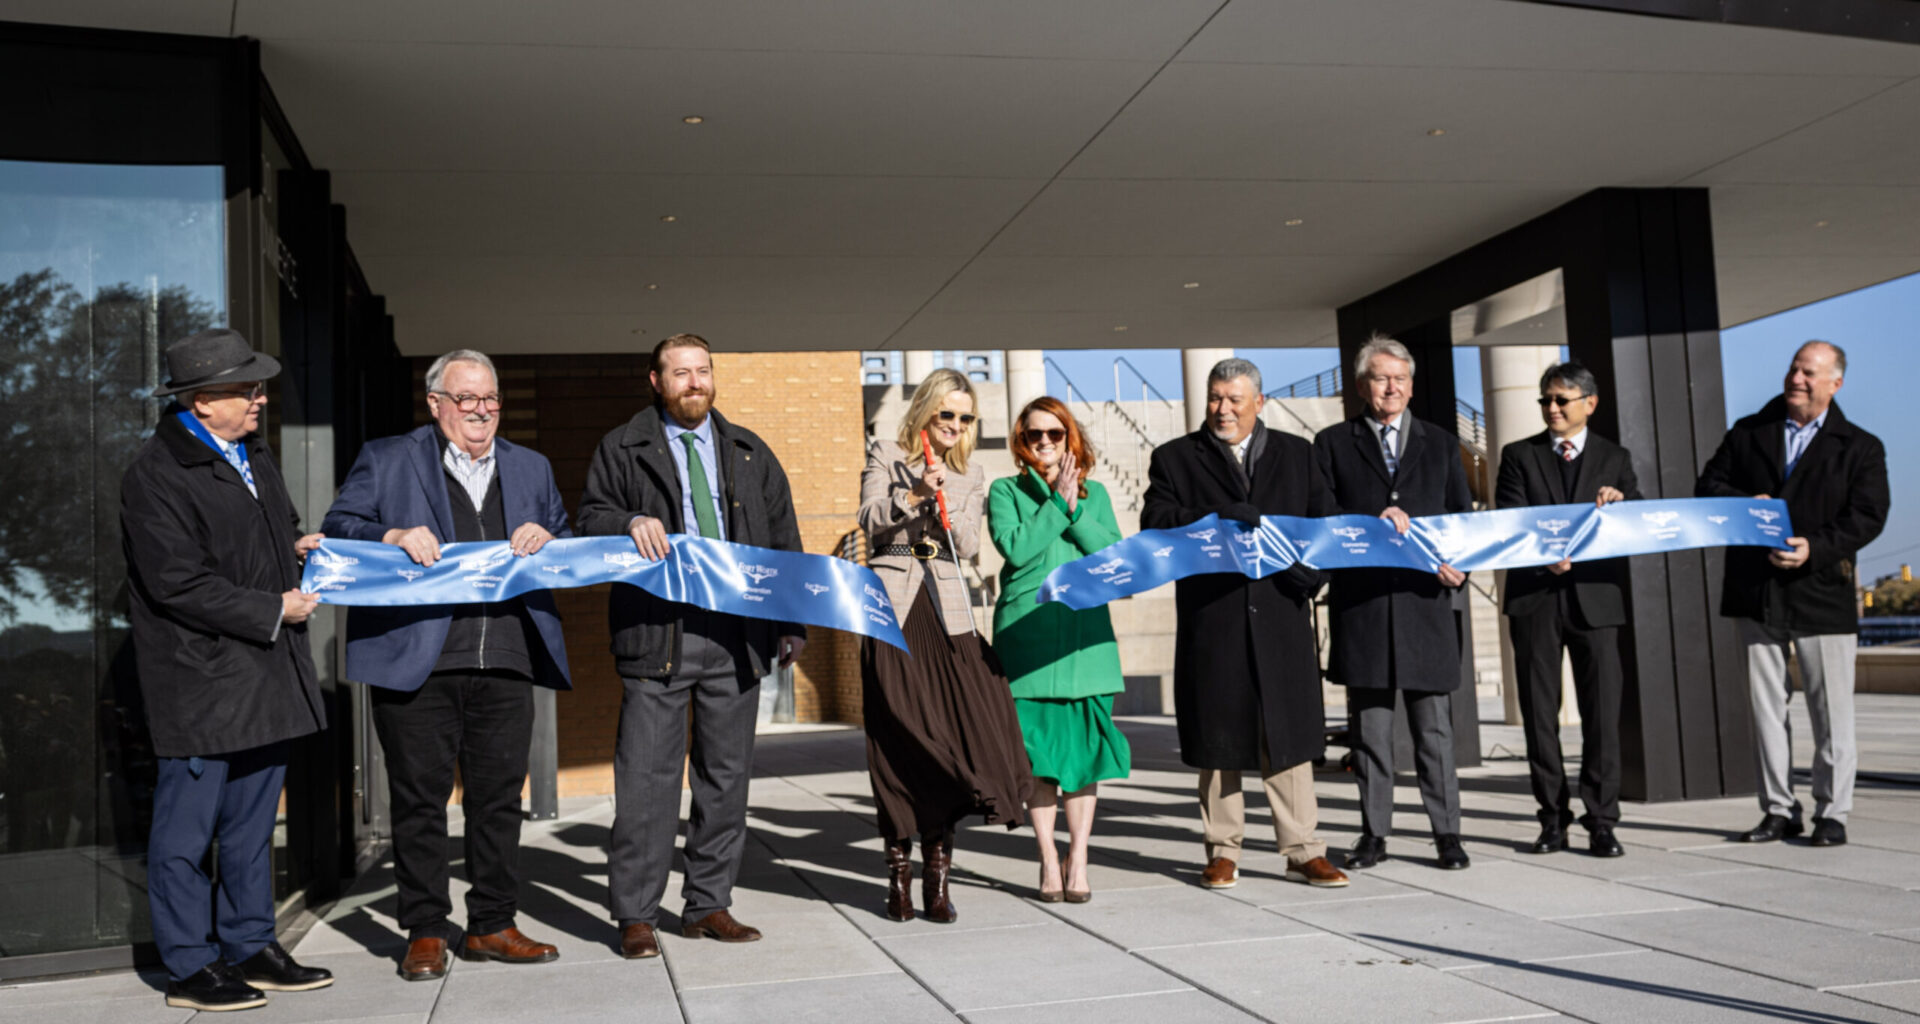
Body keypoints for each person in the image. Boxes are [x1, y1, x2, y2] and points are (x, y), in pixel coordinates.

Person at [321, 349, 572, 980]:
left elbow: (566, 539)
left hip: (508, 655)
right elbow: (338, 526)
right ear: (435, 405)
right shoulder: (387, 458)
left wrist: (547, 535)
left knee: (498, 802)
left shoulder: (532, 465)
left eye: (490, 400)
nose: (481, 412)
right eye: (467, 400)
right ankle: (426, 930)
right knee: (419, 803)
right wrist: (393, 536)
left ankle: (492, 924)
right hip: (416, 660)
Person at [120, 328, 333, 1011]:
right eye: (248, 390)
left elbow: (271, 531)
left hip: (263, 673)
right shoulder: (154, 475)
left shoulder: (251, 454)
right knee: (184, 836)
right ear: (201, 401)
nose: (261, 400)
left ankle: (250, 945)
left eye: (259, 387)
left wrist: (297, 545)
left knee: (247, 830)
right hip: (201, 682)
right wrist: (274, 606)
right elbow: (176, 584)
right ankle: (189, 966)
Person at [578, 333, 807, 958]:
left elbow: (783, 542)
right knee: (647, 784)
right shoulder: (621, 447)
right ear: (656, 381)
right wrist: (628, 521)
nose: (694, 383)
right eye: (680, 373)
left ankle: (708, 905)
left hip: (736, 640)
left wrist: (790, 622)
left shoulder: (749, 451)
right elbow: (589, 516)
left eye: (702, 371)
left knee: (725, 782)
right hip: (659, 637)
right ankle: (635, 914)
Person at [1142, 357, 1349, 890]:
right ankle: (1222, 850)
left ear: (1260, 402)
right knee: (1219, 740)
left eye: (1234, 399)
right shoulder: (1174, 458)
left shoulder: (1299, 455)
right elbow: (1156, 524)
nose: (1223, 408)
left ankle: (1304, 849)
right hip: (1215, 620)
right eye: (1215, 397)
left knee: (1288, 737)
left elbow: (1324, 527)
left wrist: (1313, 575)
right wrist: (1219, 514)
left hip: (1281, 616)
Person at [1697, 340, 1888, 847]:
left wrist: (1814, 548)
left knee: (1831, 715)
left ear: (1834, 384)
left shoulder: (1861, 447)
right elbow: (1707, 487)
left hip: (1822, 593)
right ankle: (1779, 809)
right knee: (1765, 711)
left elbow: (1867, 516)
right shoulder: (1748, 432)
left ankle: (1833, 813)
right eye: (1793, 369)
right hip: (1755, 592)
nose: (1796, 379)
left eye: (1809, 372)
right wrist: (1744, 502)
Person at [859, 367, 1033, 922]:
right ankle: (899, 880)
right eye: (947, 414)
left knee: (957, 736)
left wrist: (949, 508)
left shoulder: (971, 473)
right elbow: (869, 521)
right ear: (926, 412)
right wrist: (913, 493)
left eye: (965, 416)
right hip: (894, 610)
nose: (956, 424)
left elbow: (968, 547)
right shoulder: (887, 453)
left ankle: (938, 881)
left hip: (950, 612)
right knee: (898, 741)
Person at [1313, 335, 1472, 872]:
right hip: (1365, 608)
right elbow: (1323, 519)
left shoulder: (1442, 442)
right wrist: (1367, 525)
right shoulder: (1333, 443)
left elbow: (1460, 519)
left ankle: (1447, 834)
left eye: (1401, 378)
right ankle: (1373, 834)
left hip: (1426, 605)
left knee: (1434, 733)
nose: (1392, 387)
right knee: (1372, 733)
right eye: (1381, 378)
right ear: (1362, 386)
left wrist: (1461, 567)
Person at [987, 397, 1132, 903]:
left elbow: (1114, 557)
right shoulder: (1004, 491)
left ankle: (1080, 858)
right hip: (1027, 641)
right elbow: (1018, 550)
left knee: (1085, 759)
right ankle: (1049, 859)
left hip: (1083, 642)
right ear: (1020, 443)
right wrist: (1056, 505)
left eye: (1054, 433)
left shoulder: (1097, 495)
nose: (1044, 442)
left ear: (1070, 436)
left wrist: (1073, 507)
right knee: (1039, 761)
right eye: (1033, 435)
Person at [1494, 361, 1641, 858]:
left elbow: (1635, 518)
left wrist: (1622, 501)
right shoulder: (1519, 455)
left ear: (1589, 404)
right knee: (1539, 715)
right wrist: (1543, 555)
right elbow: (1509, 520)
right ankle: (1552, 819)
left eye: (1561, 400)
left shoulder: (1614, 457)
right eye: (1545, 400)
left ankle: (1602, 820)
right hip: (1535, 598)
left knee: (1602, 716)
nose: (1552, 408)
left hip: (1597, 601)